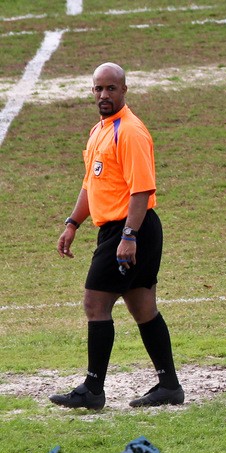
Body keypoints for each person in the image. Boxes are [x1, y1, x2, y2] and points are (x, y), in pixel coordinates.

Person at [49, 62, 183, 409]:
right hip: (121, 230)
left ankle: (93, 389)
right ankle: (169, 386)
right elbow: (90, 183)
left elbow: (142, 190)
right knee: (142, 307)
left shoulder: (131, 132)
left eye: (111, 88)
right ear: (92, 91)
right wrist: (73, 223)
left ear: (124, 90)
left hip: (131, 228)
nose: (104, 94)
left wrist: (128, 236)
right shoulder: (99, 130)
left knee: (95, 303)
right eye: (98, 88)